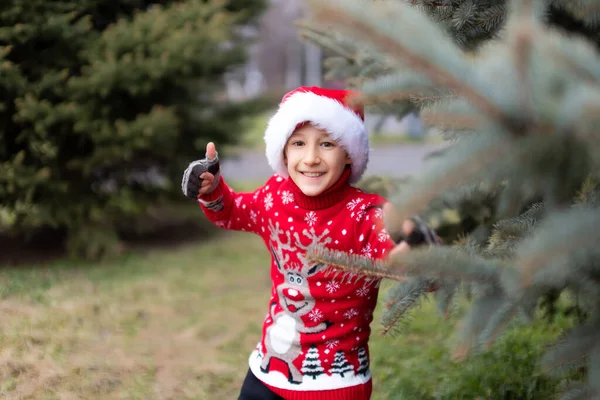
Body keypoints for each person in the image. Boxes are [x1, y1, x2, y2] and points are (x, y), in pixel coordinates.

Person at [181, 86, 438, 400]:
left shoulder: (366, 214)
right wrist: (211, 189)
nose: (311, 158)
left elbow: (413, 260)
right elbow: (233, 212)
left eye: (327, 143)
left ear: (349, 153)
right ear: (284, 152)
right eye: (299, 143)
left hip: (335, 384)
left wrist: (416, 250)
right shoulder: (275, 196)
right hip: (267, 370)